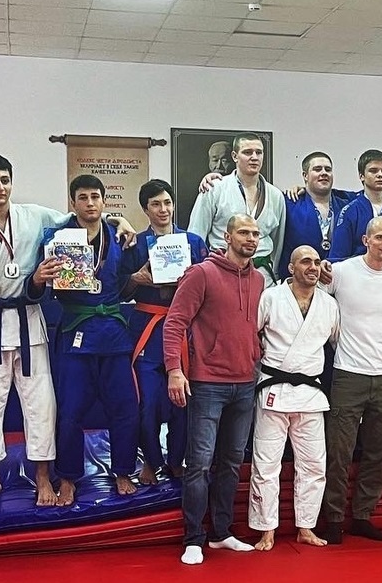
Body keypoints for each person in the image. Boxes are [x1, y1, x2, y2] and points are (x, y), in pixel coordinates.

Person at [29, 175, 138, 506]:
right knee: (70, 411)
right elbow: (40, 287)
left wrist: (138, 277)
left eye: (95, 197)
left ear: (104, 201)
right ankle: (68, 478)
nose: (90, 203)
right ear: (72, 202)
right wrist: (40, 277)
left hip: (114, 334)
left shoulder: (120, 236)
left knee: (125, 407)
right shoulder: (56, 238)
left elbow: (126, 285)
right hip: (76, 332)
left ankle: (123, 471)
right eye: (83, 197)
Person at [164, 214, 265, 564]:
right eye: (244, 232)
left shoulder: (259, 280)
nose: (251, 238)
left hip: (246, 382)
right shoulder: (202, 273)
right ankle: (194, 538)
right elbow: (174, 322)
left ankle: (222, 533)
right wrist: (174, 371)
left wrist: (255, 358)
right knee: (199, 464)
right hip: (207, 383)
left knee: (232, 463)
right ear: (227, 236)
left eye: (255, 233)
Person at [319, 217, 382, 544]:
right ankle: (332, 519)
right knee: (339, 452)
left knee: (378, 452)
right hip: (348, 372)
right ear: (365, 240)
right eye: (381, 237)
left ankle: (363, 516)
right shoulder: (341, 272)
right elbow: (315, 301)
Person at [250, 245, 340, 551]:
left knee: (314, 465)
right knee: (266, 464)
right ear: (291, 268)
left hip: (311, 394)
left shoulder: (329, 305)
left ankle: (306, 527)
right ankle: (266, 529)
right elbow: (252, 334)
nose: (312, 267)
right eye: (305, 262)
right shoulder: (271, 298)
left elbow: (337, 342)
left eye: (316, 262)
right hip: (273, 390)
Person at [120, 179, 207, 485]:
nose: (163, 209)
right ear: (145, 209)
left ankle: (176, 459)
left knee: (183, 399)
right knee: (147, 401)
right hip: (148, 327)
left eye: (167, 202)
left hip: (183, 328)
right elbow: (120, 290)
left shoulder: (194, 242)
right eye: (155, 204)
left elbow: (208, 286)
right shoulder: (134, 244)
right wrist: (136, 279)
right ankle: (150, 460)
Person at [188, 132, 286, 285]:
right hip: (221, 269)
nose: (254, 157)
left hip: (262, 274)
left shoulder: (275, 195)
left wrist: (274, 271)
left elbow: (278, 241)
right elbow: (196, 234)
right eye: (247, 152)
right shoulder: (214, 188)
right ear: (234, 156)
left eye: (259, 152)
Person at [277, 152, 350, 275]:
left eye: (328, 169)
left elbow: (371, 194)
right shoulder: (289, 203)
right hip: (298, 277)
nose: (324, 173)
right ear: (305, 175)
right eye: (317, 169)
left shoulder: (346, 203)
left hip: (336, 277)